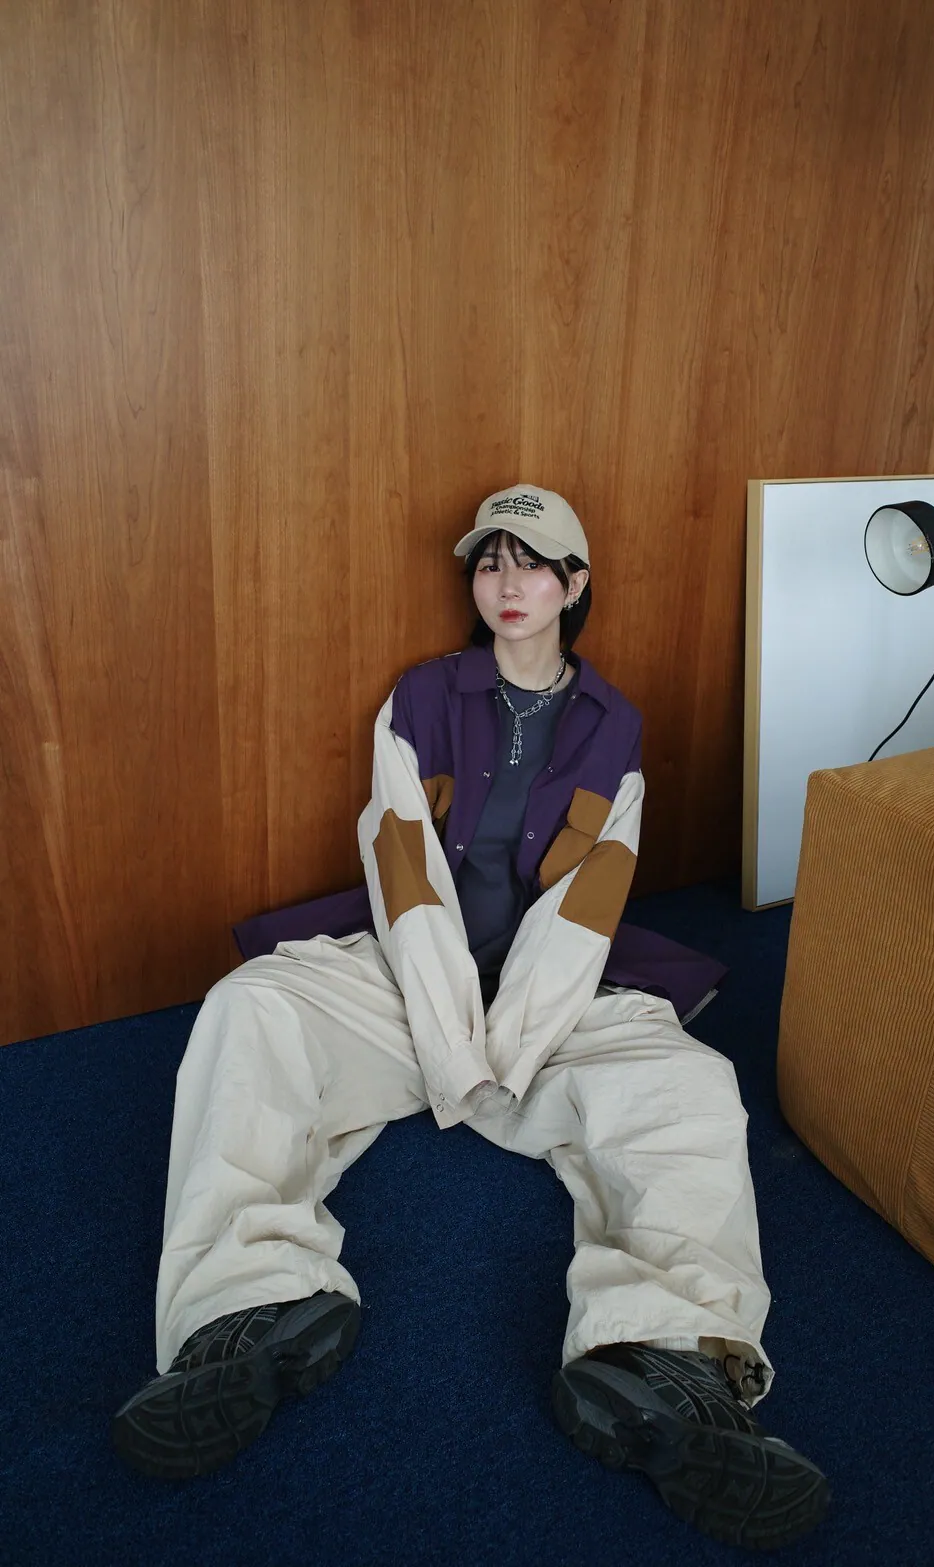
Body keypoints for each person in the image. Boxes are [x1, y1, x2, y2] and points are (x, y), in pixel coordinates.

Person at [112, 484, 829, 1551]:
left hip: (553, 999)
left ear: (574, 584)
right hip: (411, 980)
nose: (507, 581)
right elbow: (400, 869)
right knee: (250, 1007)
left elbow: (588, 908)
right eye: (490, 561)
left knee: (690, 1084)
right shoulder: (421, 696)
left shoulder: (617, 727)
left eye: (532, 562)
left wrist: (509, 1046)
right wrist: (452, 1044)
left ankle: (670, 1359)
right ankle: (240, 1306)